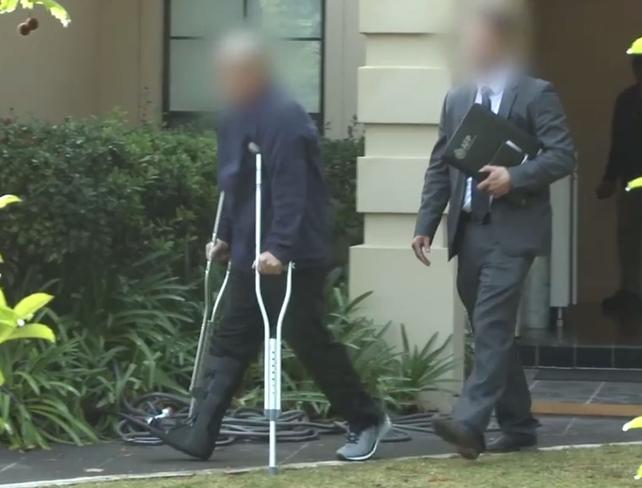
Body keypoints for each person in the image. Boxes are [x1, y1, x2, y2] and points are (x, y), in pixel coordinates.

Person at [148, 31, 390, 462]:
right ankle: (200, 431)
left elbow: (292, 189)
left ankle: (366, 418)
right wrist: (223, 234)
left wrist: (280, 248)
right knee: (232, 339)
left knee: (306, 337)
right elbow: (234, 182)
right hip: (249, 250)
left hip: (292, 255)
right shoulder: (235, 114)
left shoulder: (285, 116)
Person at [412, 5, 575, 459]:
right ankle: (519, 427)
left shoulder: (537, 94)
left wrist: (514, 177)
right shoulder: (458, 97)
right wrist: (426, 223)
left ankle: (469, 423)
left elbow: (563, 156)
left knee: (490, 324)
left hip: (514, 230)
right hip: (470, 233)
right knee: (491, 331)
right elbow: (440, 165)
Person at [597, 34, 642, 314]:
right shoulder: (626, 100)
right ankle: (629, 290)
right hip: (631, 181)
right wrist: (609, 177)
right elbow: (618, 143)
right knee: (628, 236)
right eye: (639, 65)